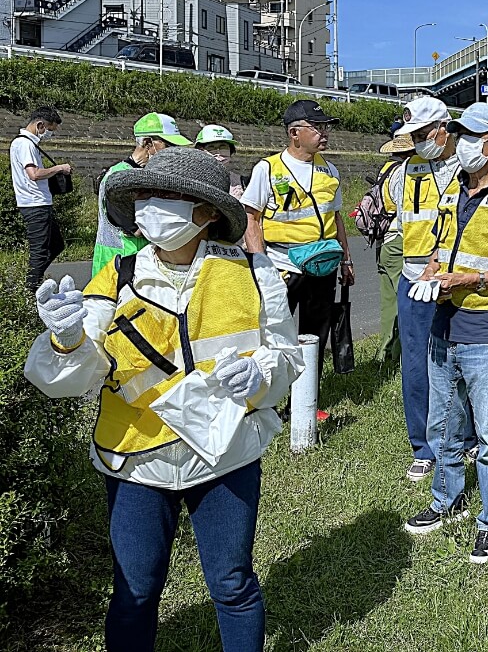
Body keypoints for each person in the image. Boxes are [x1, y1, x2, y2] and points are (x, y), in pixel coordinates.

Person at [25, 147, 303, 652]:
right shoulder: (118, 276)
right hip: (135, 461)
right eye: (145, 195)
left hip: (224, 455)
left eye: (168, 196)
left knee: (233, 583)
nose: (152, 206)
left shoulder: (254, 275)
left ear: (208, 212)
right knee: (135, 592)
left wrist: (260, 375)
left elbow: (285, 359)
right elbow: (76, 375)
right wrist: (66, 340)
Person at [404, 103, 488, 565]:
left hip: (487, 330)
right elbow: (442, 252)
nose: (462, 143)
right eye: (458, 133)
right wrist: (432, 274)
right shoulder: (451, 192)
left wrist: (470, 282)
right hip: (444, 326)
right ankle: (446, 500)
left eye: (472, 135)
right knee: (443, 427)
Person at [241, 100, 355, 380]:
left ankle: (307, 402)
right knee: (272, 334)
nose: (324, 133)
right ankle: (267, 396)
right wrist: (261, 265)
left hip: (324, 265)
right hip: (283, 267)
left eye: (326, 127)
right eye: (317, 127)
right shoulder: (267, 169)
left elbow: (336, 218)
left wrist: (346, 261)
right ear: (294, 133)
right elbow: (251, 219)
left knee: (315, 336)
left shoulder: (330, 171)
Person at [389, 96, 472, 481]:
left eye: (423, 133)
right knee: (417, 364)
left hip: (458, 281)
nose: (418, 141)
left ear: (444, 128)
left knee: (462, 364)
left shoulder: (469, 169)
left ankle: (463, 437)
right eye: (414, 135)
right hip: (415, 279)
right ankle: (424, 447)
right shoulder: (405, 170)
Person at [93, 113, 192, 278]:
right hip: (118, 262)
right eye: (168, 145)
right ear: (147, 143)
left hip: (141, 259)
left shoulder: (145, 175)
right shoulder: (120, 178)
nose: (173, 152)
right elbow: (138, 230)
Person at [10, 106, 72, 291]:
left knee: (56, 245)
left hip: (40, 202)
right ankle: (30, 289)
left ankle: (33, 281)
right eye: (49, 130)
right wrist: (59, 168)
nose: (49, 134)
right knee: (40, 251)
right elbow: (34, 174)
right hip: (35, 205)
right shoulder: (25, 144)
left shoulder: (25, 144)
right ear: (40, 125)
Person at [372, 128, 414, 366]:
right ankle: (402, 355)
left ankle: (385, 354)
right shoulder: (405, 173)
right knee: (407, 303)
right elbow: (406, 211)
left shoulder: (386, 169)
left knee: (389, 303)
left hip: (384, 241)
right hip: (399, 241)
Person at [195, 124, 246, 199]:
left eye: (223, 147)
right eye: (211, 147)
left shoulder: (243, 182)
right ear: (200, 150)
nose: (218, 152)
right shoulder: (192, 179)